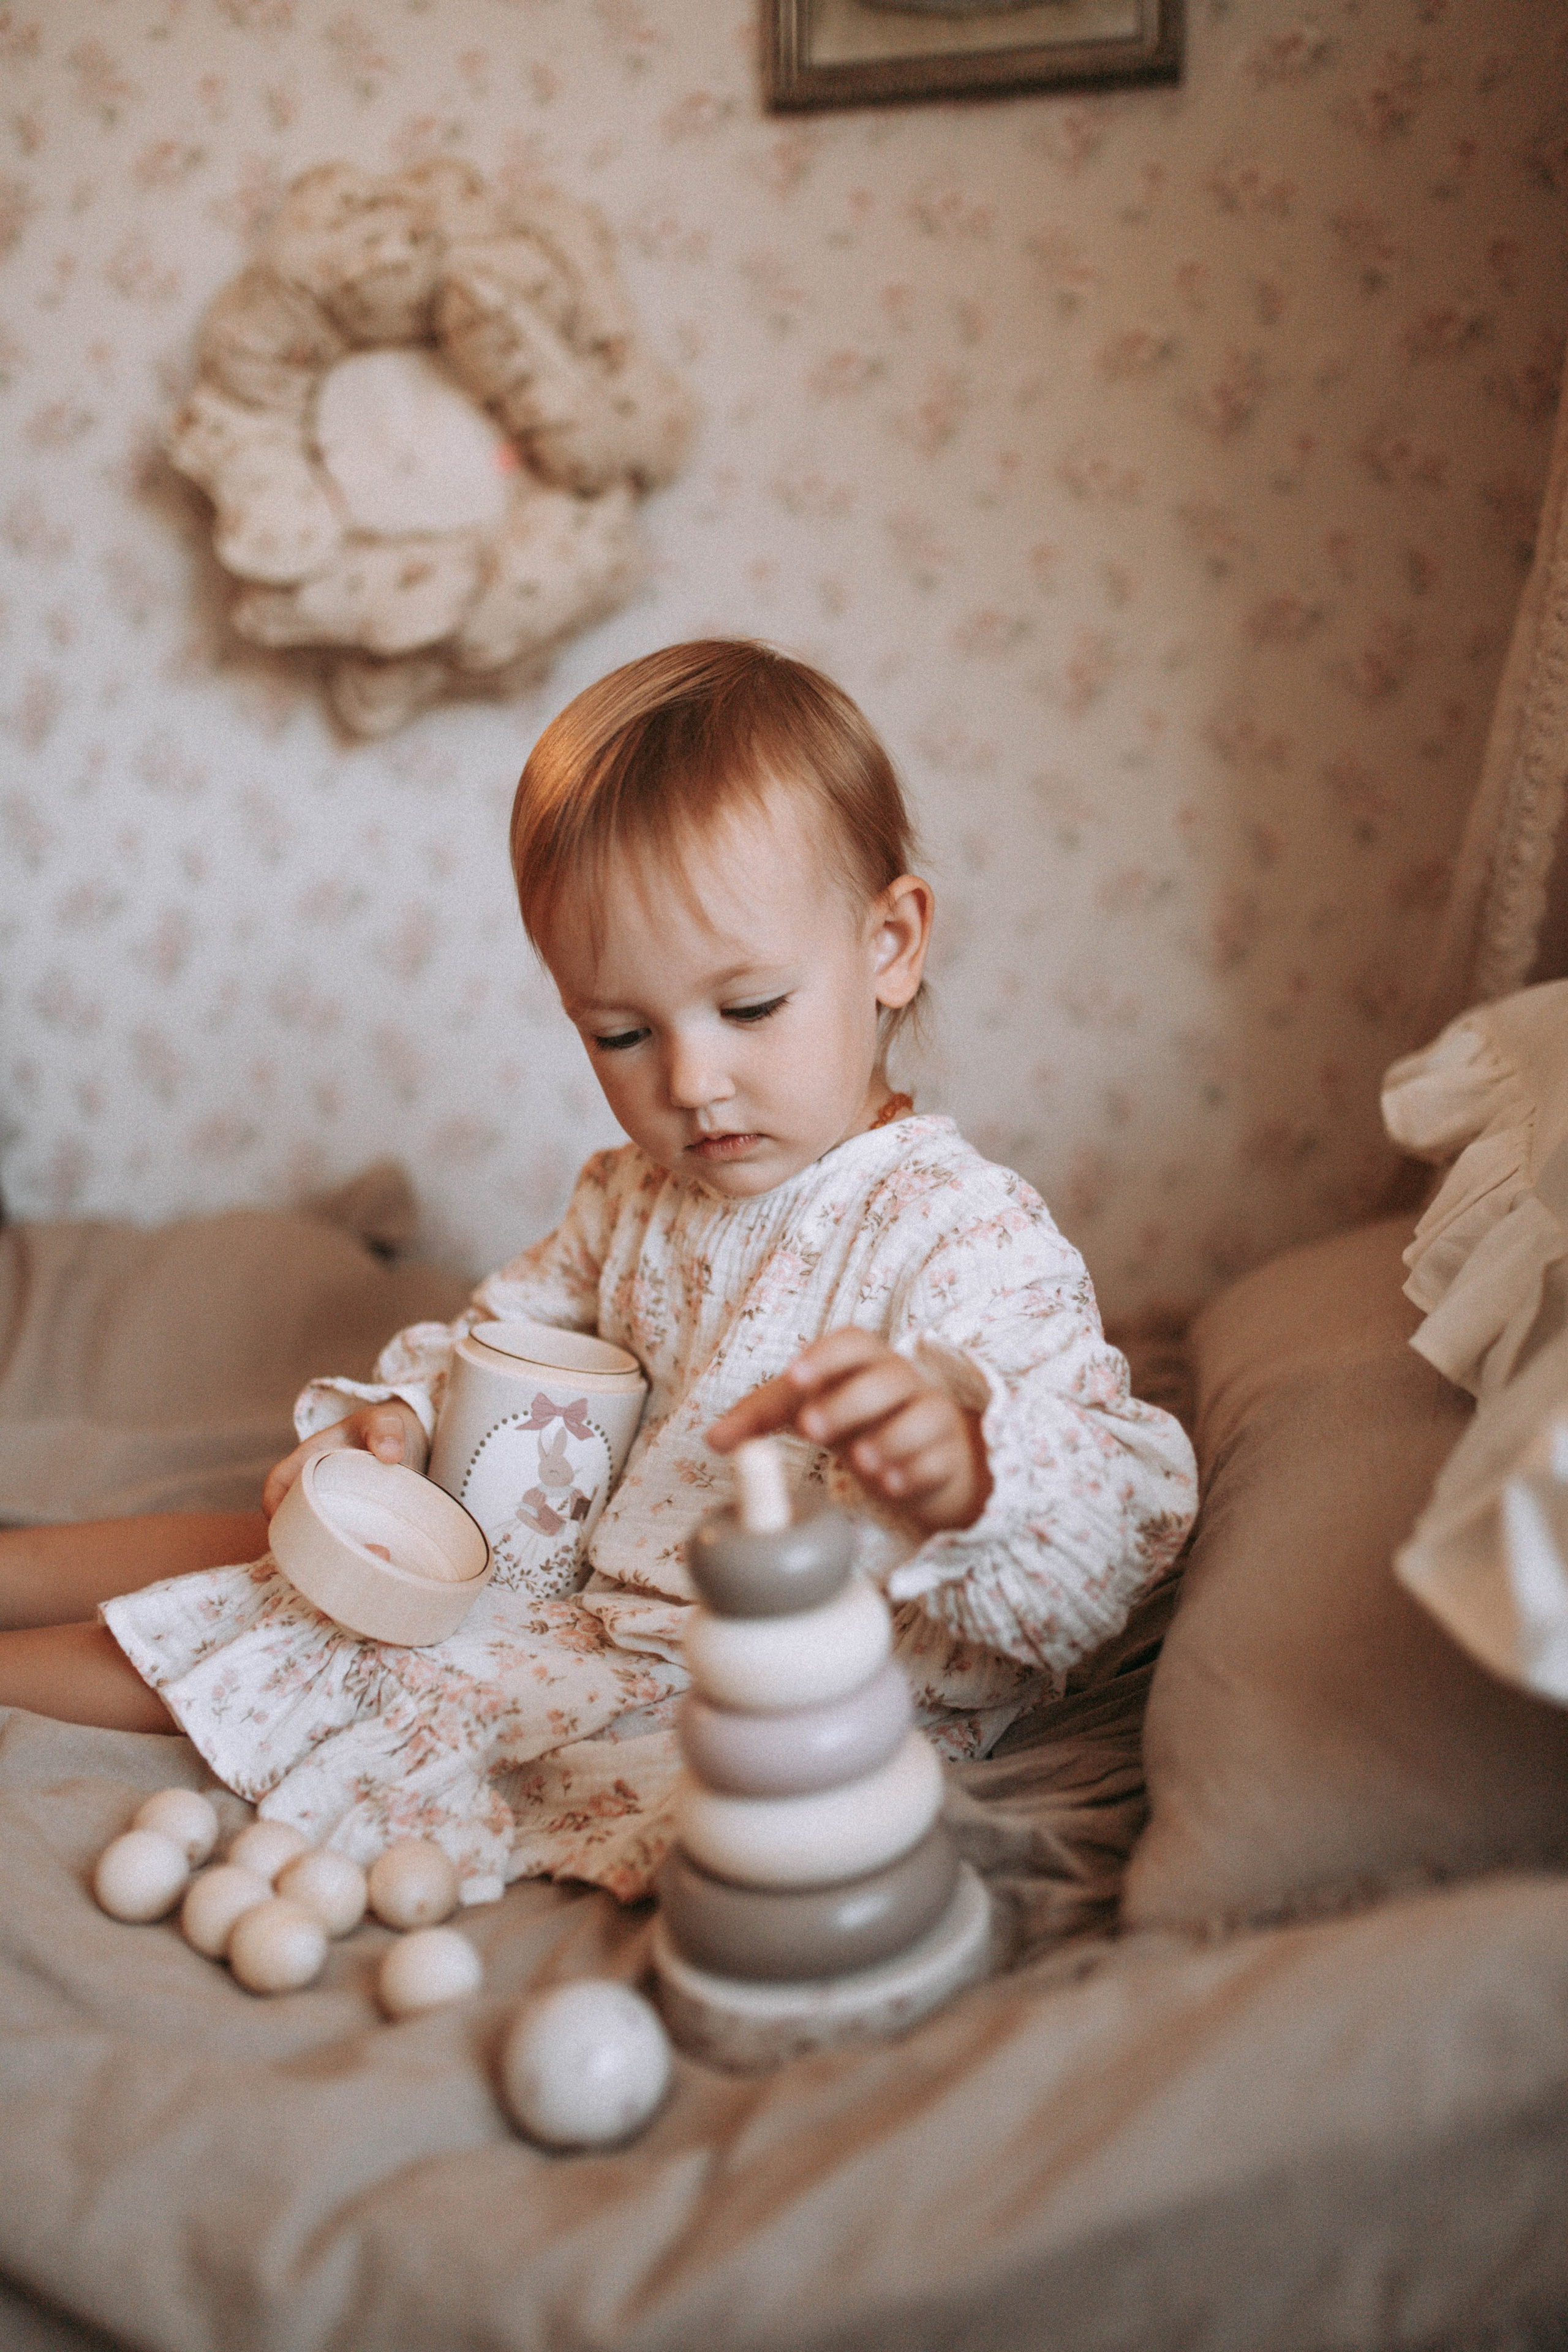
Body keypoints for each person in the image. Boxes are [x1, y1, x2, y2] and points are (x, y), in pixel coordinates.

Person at [0, 641, 1197, 1901]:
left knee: (328, 1651)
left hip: (740, 1677)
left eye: (747, 1010)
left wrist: (971, 1464)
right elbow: (501, 1336)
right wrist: (399, 1426)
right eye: (620, 1033)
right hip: (568, 1586)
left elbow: (1115, 1531)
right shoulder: (630, 1194)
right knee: (303, 1545)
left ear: (889, 944)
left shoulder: (960, 1233)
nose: (688, 1083)